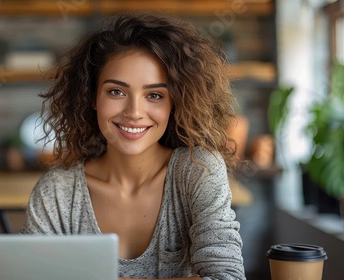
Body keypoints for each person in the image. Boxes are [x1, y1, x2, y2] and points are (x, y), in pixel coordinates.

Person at [21, 12, 246, 280]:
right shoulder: (56, 193)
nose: (134, 112)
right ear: (93, 96)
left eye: (154, 95)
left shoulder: (198, 172)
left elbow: (227, 276)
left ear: (175, 103)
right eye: (116, 91)